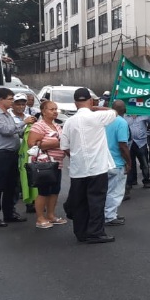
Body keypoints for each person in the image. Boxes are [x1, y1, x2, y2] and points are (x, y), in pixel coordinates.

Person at [60, 88, 118, 244]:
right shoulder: (97, 116)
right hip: (97, 167)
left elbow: (65, 146)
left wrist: (76, 157)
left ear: (75, 103)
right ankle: (96, 232)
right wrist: (95, 107)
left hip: (78, 169)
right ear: (91, 100)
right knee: (97, 201)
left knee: (80, 202)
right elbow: (114, 111)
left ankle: (81, 232)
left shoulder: (68, 122)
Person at [0, 88, 34, 226]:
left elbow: (16, 131)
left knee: (11, 185)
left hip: (13, 154)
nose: (12, 102)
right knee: (0, 185)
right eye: (10, 99)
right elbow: (6, 131)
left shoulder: (7, 114)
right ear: (1, 100)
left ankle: (9, 213)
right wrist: (24, 122)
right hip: (2, 154)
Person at [26, 100, 65, 229]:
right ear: (43, 111)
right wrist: (54, 143)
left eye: (56, 109)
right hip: (45, 165)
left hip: (57, 164)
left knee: (54, 191)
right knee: (44, 192)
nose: (55, 111)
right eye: (51, 109)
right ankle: (40, 218)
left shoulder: (57, 126)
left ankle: (51, 215)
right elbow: (31, 144)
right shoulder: (39, 126)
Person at [104, 100, 131, 226]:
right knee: (115, 192)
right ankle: (110, 216)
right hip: (117, 162)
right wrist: (129, 162)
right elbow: (122, 145)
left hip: (103, 161)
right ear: (124, 110)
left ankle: (105, 214)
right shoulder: (122, 122)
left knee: (105, 190)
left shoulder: (104, 120)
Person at [124, 113, 150, 190]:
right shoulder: (125, 116)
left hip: (141, 142)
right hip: (130, 142)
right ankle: (131, 181)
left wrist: (145, 130)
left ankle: (146, 181)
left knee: (144, 163)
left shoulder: (144, 114)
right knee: (130, 163)